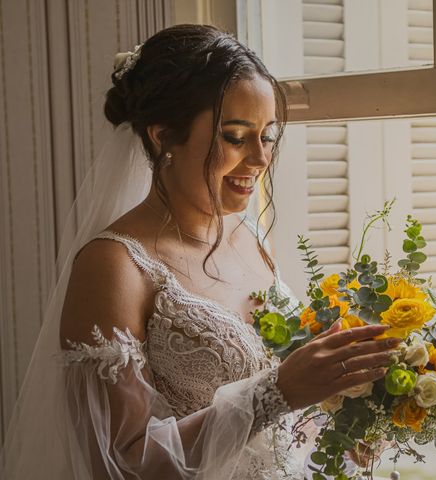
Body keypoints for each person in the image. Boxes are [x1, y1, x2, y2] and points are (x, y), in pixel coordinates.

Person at [0, 24, 399, 479]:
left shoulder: (250, 235)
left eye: (267, 135)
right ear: (163, 136)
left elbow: (278, 428)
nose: (261, 158)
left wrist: (342, 422)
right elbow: (120, 464)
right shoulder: (114, 266)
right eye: (235, 136)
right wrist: (275, 393)